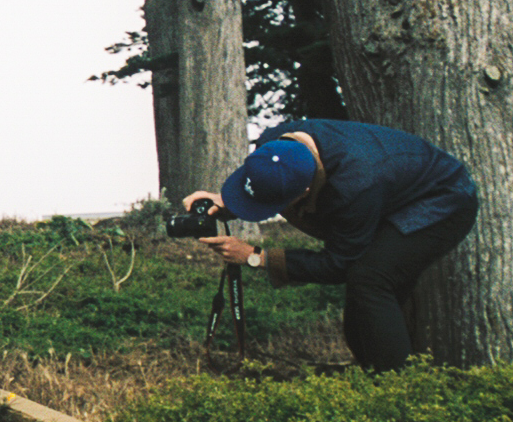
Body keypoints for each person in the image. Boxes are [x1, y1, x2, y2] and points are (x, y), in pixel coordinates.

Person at [182, 119, 479, 371]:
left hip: (444, 200)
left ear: (306, 191)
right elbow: (270, 181)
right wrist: (228, 201)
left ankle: (398, 391)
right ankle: (373, 372)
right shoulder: (273, 144)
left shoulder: (355, 186)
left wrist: (255, 257)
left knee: (370, 278)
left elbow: (339, 264)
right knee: (366, 293)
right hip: (393, 188)